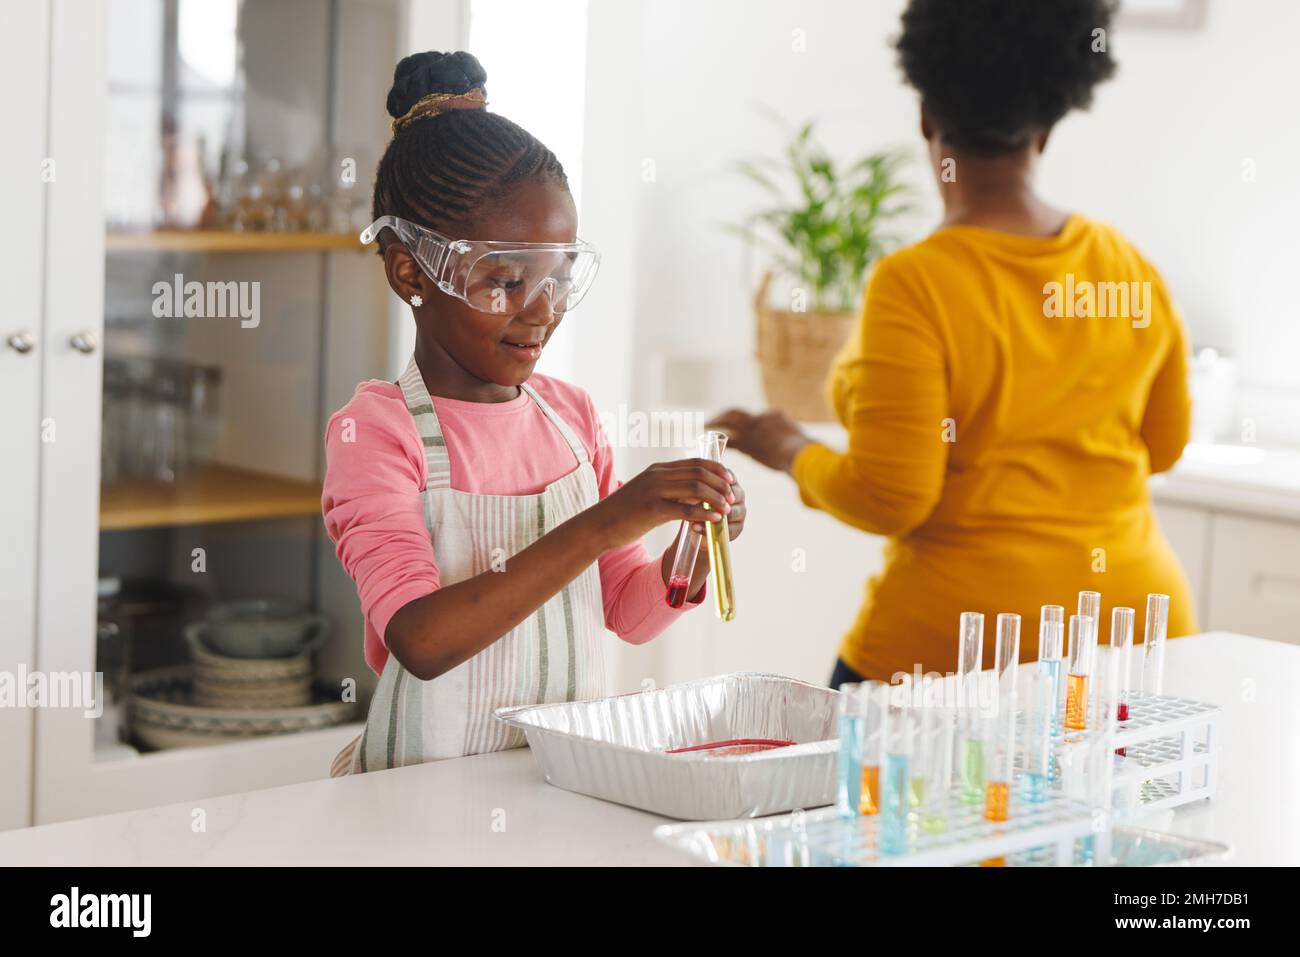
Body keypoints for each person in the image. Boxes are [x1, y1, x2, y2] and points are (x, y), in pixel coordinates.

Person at [711, 0, 1195, 686]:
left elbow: (891, 497)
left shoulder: (916, 284)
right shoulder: (1127, 266)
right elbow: (1166, 444)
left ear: (927, 119)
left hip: (956, 658)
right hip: (1141, 640)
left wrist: (787, 447)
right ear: (1049, 127)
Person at [323, 51, 745, 772]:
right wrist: (612, 518)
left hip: (555, 783)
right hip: (416, 804)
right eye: (507, 279)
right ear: (409, 271)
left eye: (558, 277)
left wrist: (692, 547)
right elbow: (421, 641)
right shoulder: (378, 433)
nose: (543, 311)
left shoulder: (572, 419)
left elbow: (628, 613)